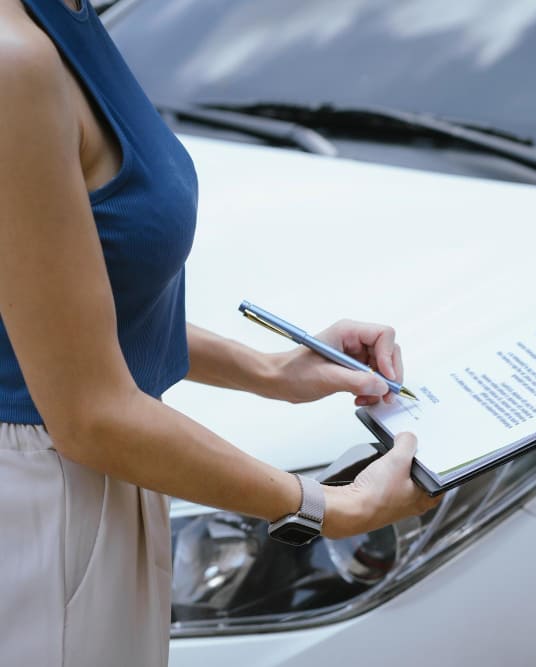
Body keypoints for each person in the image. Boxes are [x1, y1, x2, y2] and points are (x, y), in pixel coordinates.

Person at [0, 0, 439, 665]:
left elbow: (69, 313)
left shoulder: (62, 20)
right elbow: (89, 412)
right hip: (48, 505)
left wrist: (270, 371)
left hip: (84, 482)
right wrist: (332, 508)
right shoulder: (15, 62)